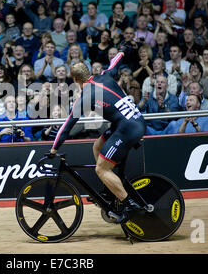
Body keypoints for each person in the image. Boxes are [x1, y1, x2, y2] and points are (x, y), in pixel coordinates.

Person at [50, 52, 146, 223]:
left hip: (127, 128)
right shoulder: (105, 75)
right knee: (97, 146)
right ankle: (109, 189)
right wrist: (123, 50)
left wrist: (53, 149)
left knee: (101, 169)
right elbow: (114, 62)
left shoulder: (86, 96)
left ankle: (129, 205)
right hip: (133, 121)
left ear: (75, 80)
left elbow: (66, 127)